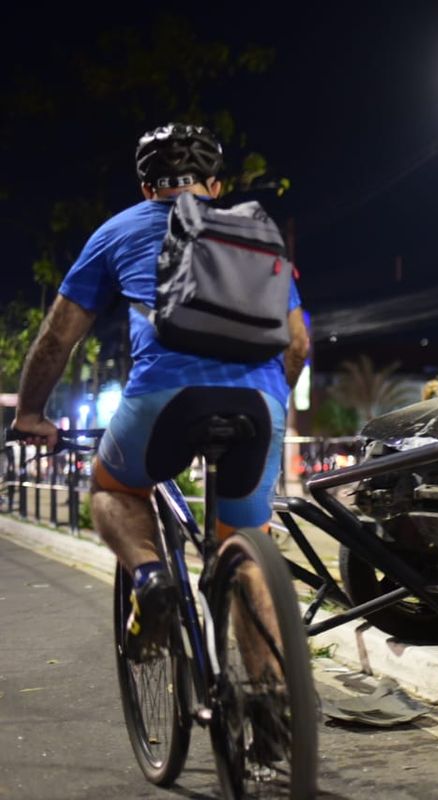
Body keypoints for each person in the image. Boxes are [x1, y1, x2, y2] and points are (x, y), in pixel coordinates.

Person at [10, 123, 309, 657]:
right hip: (258, 405)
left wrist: (31, 412)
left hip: (163, 398)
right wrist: (271, 402)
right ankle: (270, 709)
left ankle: (150, 576)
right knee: (244, 546)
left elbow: (59, 335)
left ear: (147, 188)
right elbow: (299, 345)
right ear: (216, 186)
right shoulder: (257, 235)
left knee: (115, 489)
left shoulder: (116, 231)